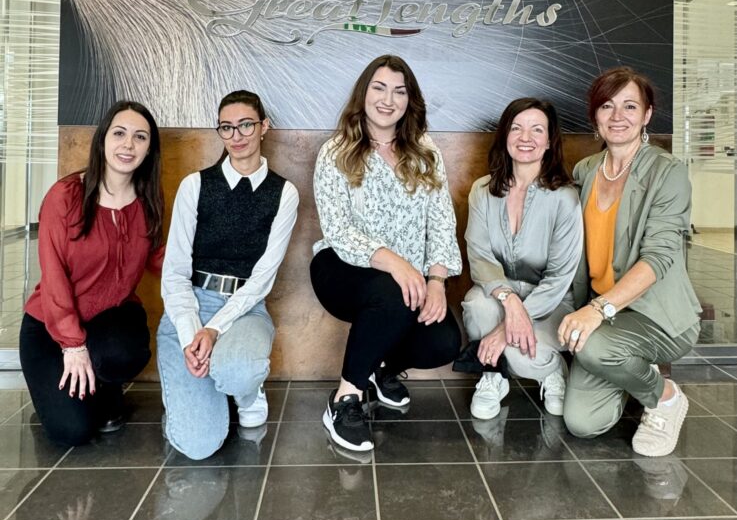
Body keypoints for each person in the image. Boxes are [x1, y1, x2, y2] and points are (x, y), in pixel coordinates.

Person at [311, 54, 463, 453]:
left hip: (411, 280)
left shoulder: (425, 151)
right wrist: (396, 264)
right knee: (390, 294)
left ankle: (381, 369)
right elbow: (339, 230)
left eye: (399, 91)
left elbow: (442, 221)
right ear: (363, 93)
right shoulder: (336, 151)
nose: (388, 99)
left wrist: (436, 281)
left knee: (444, 341)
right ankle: (345, 399)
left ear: (409, 100)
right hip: (343, 267)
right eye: (379, 88)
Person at [558, 66, 701, 456]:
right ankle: (630, 371)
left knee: (591, 348)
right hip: (607, 314)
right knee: (583, 424)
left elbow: (658, 256)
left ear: (647, 115)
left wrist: (597, 310)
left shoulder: (667, 172)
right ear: (595, 116)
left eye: (629, 106)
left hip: (656, 314)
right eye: (607, 106)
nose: (617, 116)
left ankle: (665, 397)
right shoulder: (585, 171)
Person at [158, 90, 298, 460]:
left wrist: (215, 329)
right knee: (198, 446)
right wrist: (192, 334)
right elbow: (174, 273)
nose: (237, 136)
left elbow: (263, 278)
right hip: (190, 303)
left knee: (237, 372)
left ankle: (245, 389)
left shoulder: (284, 193)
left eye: (246, 125)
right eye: (226, 127)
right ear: (219, 132)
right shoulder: (196, 185)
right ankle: (198, 391)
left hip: (246, 308)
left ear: (264, 126)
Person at [19, 101, 164, 445]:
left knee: (121, 353)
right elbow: (53, 275)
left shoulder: (148, 198)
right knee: (73, 431)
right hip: (51, 328)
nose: (128, 145)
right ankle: (62, 397)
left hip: (110, 321)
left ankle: (104, 388)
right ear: (102, 140)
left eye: (140, 137)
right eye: (119, 133)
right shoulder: (65, 196)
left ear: (149, 149)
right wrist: (72, 345)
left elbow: (159, 258)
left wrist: (206, 278)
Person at [462, 98, 583, 420]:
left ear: (548, 141)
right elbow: (479, 255)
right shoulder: (482, 190)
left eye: (536, 129)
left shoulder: (566, 198)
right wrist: (510, 302)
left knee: (520, 351)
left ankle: (553, 371)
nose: (525, 137)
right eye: (516, 128)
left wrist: (505, 329)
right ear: (504, 136)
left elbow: (560, 277)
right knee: (476, 305)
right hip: (499, 293)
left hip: (554, 301)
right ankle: (493, 375)